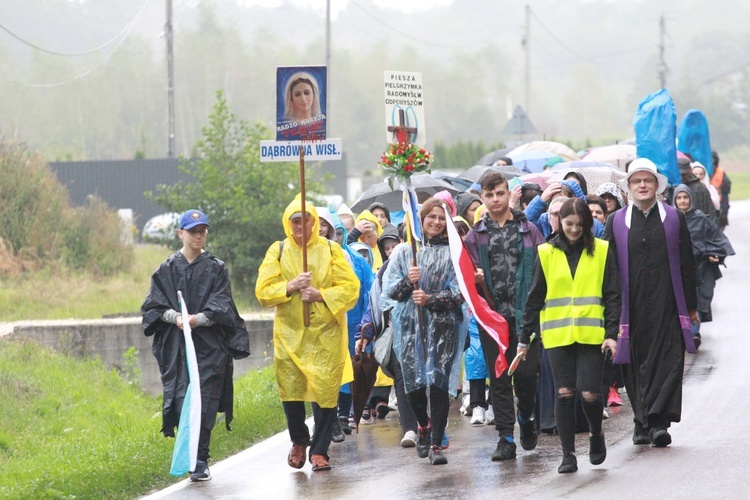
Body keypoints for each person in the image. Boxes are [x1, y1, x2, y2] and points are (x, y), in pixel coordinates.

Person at [141, 209, 250, 482]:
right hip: (177, 347)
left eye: (203, 230)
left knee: (206, 399)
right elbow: (153, 307)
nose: (199, 235)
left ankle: (200, 458)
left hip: (210, 347)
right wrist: (176, 318)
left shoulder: (216, 268)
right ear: (181, 233)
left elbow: (223, 305)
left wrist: (197, 320)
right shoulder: (166, 269)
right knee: (181, 398)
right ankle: (188, 452)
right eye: (193, 231)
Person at [255, 196, 359, 472]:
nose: (301, 225)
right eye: (295, 220)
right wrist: (289, 286)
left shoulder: (331, 250)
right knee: (290, 391)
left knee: (326, 393)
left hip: (326, 334)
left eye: (306, 219)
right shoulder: (277, 251)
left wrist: (320, 294)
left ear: (316, 221)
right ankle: (299, 440)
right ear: (288, 223)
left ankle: (320, 450)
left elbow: (351, 288)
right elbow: (263, 292)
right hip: (289, 335)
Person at [519, 198, 620, 473]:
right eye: (568, 224)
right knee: (564, 393)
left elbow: (613, 295)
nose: (574, 230)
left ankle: (596, 434)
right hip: (557, 335)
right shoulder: (546, 252)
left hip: (592, 335)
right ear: (559, 223)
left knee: (589, 393)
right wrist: (523, 338)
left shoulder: (601, 250)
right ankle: (568, 454)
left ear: (588, 223)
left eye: (579, 224)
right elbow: (534, 298)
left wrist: (612, 333)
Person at [603, 158, 698, 448]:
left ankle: (658, 422)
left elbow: (686, 261)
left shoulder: (673, 218)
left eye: (647, 180)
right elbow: (608, 269)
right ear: (629, 188)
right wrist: (610, 312)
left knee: (668, 361)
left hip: (667, 304)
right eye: (636, 181)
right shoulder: (616, 221)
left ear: (657, 186)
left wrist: (692, 306)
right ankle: (641, 421)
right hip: (630, 306)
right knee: (635, 364)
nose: (642, 185)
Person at [381, 197, 468, 465]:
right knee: (414, 385)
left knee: (439, 384)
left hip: (444, 326)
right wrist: (410, 280)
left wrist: (430, 300)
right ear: (421, 219)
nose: (437, 222)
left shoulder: (454, 252)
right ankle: (423, 423)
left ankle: (437, 443)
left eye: (442, 218)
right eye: (432, 217)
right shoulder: (405, 252)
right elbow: (390, 291)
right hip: (409, 328)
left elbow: (459, 292)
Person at [464, 172, 545, 462]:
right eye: (489, 195)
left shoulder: (529, 229)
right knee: (498, 377)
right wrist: (474, 279)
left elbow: (541, 268)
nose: (495, 200)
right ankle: (505, 438)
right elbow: (465, 278)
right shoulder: (474, 237)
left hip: (525, 316)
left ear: (507, 193)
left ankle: (525, 416)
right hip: (492, 319)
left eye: (500, 193)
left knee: (525, 375)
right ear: (482, 199)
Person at [355, 224, 419, 447]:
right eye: (387, 248)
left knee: (422, 382)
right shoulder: (381, 275)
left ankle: (427, 423)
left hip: (423, 333)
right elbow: (374, 308)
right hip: (394, 336)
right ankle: (409, 428)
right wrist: (364, 334)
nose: (392, 252)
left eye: (396, 246)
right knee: (402, 379)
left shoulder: (423, 265)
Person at [672, 184, 735, 348]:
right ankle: (685, 333)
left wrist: (718, 255)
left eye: (685, 197)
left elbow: (717, 239)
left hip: (701, 267)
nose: (682, 201)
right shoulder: (670, 220)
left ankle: (694, 333)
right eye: (679, 197)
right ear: (674, 200)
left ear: (691, 199)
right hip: (679, 268)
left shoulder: (701, 219)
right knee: (680, 299)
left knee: (700, 299)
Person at [678, 156, 717, 224]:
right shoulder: (672, 187)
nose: (682, 176)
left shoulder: (700, 187)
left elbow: (710, 210)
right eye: (680, 174)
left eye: (684, 174)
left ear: (690, 170)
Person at [710, 150, 731, 230]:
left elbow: (725, 194)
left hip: (720, 206)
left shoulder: (721, 173)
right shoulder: (701, 172)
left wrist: (725, 212)